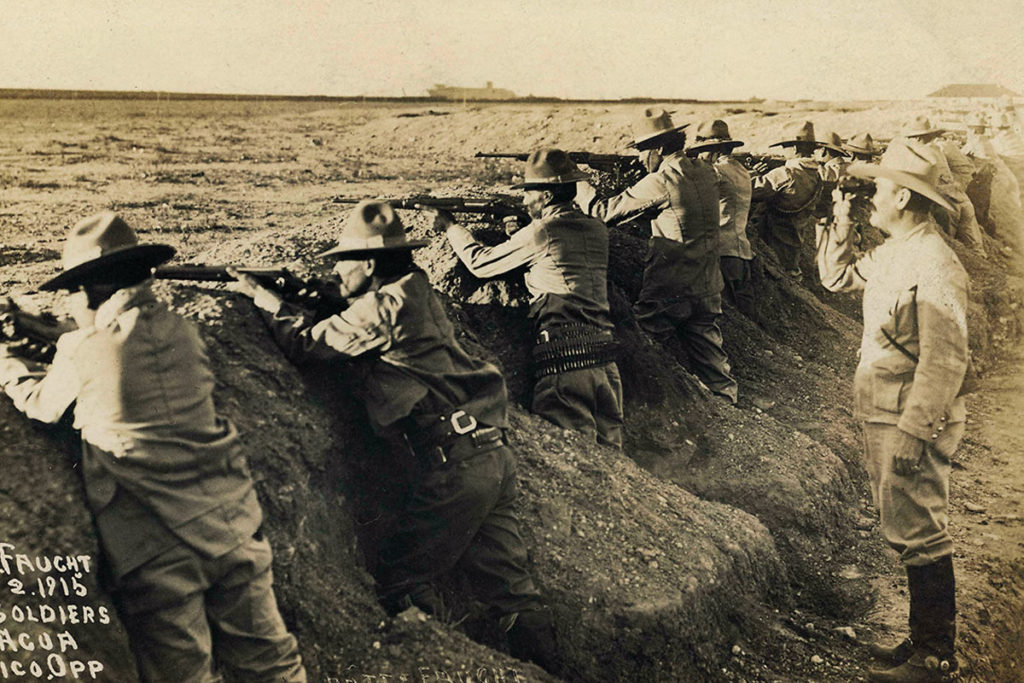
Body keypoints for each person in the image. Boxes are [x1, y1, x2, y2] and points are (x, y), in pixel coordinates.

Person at [230, 200, 560, 672]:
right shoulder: (414, 287)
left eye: (343, 263)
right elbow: (360, 304)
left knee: (402, 583)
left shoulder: (385, 308)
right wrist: (320, 290)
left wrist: (264, 298)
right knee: (512, 593)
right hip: (489, 455)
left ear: (366, 265)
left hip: (457, 465)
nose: (339, 272)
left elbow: (308, 342)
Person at [0, 212, 306, 683]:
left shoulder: (83, 348)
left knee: (182, 674)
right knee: (270, 662)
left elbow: (40, 403)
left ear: (88, 291)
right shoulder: (183, 331)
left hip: (158, 545)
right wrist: (53, 334)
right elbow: (121, 349)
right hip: (232, 524)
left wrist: (7, 357)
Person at [816, 140, 969, 682]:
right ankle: (921, 638)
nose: (871, 198)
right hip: (884, 407)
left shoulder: (934, 261)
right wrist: (838, 218)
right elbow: (835, 279)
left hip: (909, 414)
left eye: (878, 189)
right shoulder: (899, 251)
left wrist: (914, 430)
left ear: (903, 195)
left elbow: (946, 359)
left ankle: (934, 656)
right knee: (904, 523)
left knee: (922, 527)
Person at [439, 148, 624, 447]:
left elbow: (481, 263)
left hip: (566, 364)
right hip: (605, 362)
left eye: (529, 193)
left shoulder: (542, 232)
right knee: (614, 466)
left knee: (572, 461)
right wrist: (521, 230)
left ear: (546, 197)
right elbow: (559, 255)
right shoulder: (595, 227)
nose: (525, 200)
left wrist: (450, 225)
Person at [576, 108, 739, 404]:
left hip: (670, 288)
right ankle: (729, 409)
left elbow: (602, 212)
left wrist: (579, 185)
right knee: (712, 361)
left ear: (660, 148)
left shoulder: (662, 180)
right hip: (707, 284)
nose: (639, 158)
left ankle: (643, 407)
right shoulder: (706, 172)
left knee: (641, 345)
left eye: (642, 150)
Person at [687, 119, 756, 317]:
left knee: (729, 317)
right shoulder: (740, 170)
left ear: (716, 150)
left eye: (703, 150)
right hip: (741, 250)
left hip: (723, 252)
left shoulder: (716, 172)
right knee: (746, 317)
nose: (700, 156)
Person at [750, 120, 823, 279]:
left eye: (785, 147)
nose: (783, 152)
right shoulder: (815, 174)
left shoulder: (785, 174)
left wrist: (752, 173)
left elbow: (750, 190)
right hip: (793, 243)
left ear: (795, 147)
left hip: (773, 244)